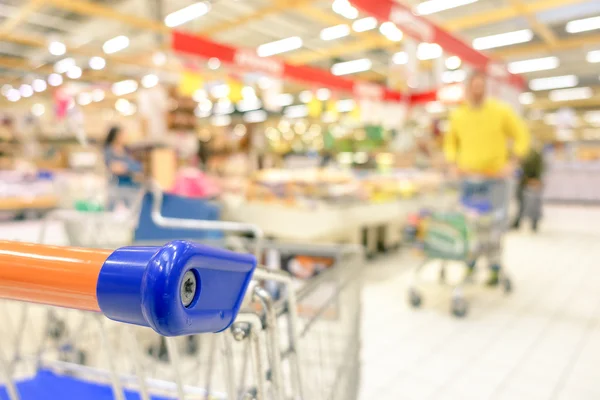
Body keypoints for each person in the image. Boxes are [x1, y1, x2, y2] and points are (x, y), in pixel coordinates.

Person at [444, 71, 530, 286]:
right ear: (467, 89)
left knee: (494, 226)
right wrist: (453, 163)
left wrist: (512, 163)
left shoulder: (501, 111)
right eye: (473, 87)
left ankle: (494, 267)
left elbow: (522, 136)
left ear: (485, 89)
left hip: (495, 181)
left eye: (481, 87)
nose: (477, 92)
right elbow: (450, 143)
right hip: (468, 180)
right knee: (469, 225)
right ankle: (470, 266)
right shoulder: (458, 115)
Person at [512, 147, 544, 231]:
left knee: (533, 203)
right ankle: (517, 222)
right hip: (522, 182)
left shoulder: (534, 154)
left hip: (532, 182)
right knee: (521, 203)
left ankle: (534, 222)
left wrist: (536, 179)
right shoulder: (519, 152)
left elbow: (539, 168)